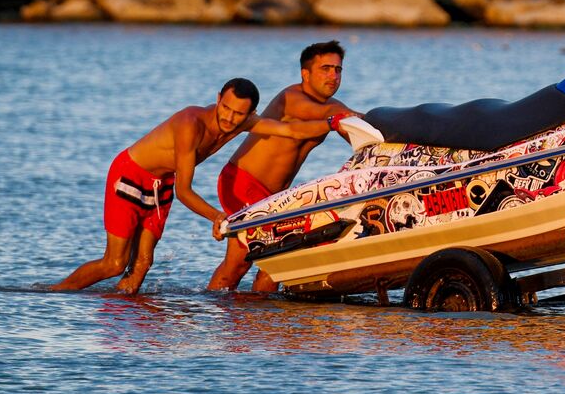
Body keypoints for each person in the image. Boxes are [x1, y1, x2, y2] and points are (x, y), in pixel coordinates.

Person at [52, 78, 332, 294]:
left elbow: (292, 130)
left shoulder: (243, 122)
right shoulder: (191, 124)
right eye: (226, 108)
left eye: (238, 115)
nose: (229, 119)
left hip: (160, 183)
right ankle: (55, 295)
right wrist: (217, 216)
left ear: (250, 113)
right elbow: (184, 191)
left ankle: (127, 334)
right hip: (131, 175)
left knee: (141, 266)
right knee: (115, 263)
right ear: (218, 99)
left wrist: (335, 123)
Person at [208, 41, 361, 293]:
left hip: (274, 197)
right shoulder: (292, 98)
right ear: (305, 74)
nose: (333, 76)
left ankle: (261, 319)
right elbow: (319, 112)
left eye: (338, 70)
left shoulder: (333, 109)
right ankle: (218, 314)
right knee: (238, 264)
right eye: (325, 69)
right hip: (243, 183)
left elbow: (356, 135)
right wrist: (344, 116)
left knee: (281, 261)